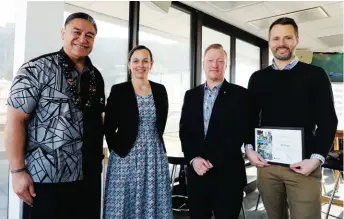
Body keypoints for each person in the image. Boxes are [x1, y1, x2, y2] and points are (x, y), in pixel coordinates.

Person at [5, 12, 105, 219]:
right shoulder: (36, 69)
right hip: (46, 177)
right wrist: (17, 171)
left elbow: (97, 120)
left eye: (90, 35)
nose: (82, 39)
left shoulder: (96, 76)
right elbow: (15, 120)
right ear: (63, 34)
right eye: (76, 32)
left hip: (89, 177)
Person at [245, 17, 338, 219]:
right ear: (269, 42)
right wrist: (249, 148)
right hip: (267, 167)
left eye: (287, 37)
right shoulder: (258, 79)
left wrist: (316, 159)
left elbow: (328, 120)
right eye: (276, 38)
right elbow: (249, 119)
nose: (281, 43)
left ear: (296, 39)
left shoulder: (316, 75)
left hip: (303, 167)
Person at [179, 43, 249, 219]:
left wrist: (212, 161)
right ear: (203, 63)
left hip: (228, 175)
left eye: (220, 61)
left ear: (226, 65)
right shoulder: (191, 95)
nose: (215, 65)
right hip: (197, 174)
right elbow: (185, 131)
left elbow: (239, 133)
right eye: (210, 60)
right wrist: (194, 159)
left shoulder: (240, 95)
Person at [103, 45, 173, 219]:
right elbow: (109, 127)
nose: (140, 65)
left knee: (152, 203)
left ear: (151, 64)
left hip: (154, 156)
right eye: (135, 61)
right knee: (123, 204)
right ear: (129, 64)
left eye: (145, 61)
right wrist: (118, 151)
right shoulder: (119, 90)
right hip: (125, 156)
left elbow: (160, 123)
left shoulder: (160, 90)